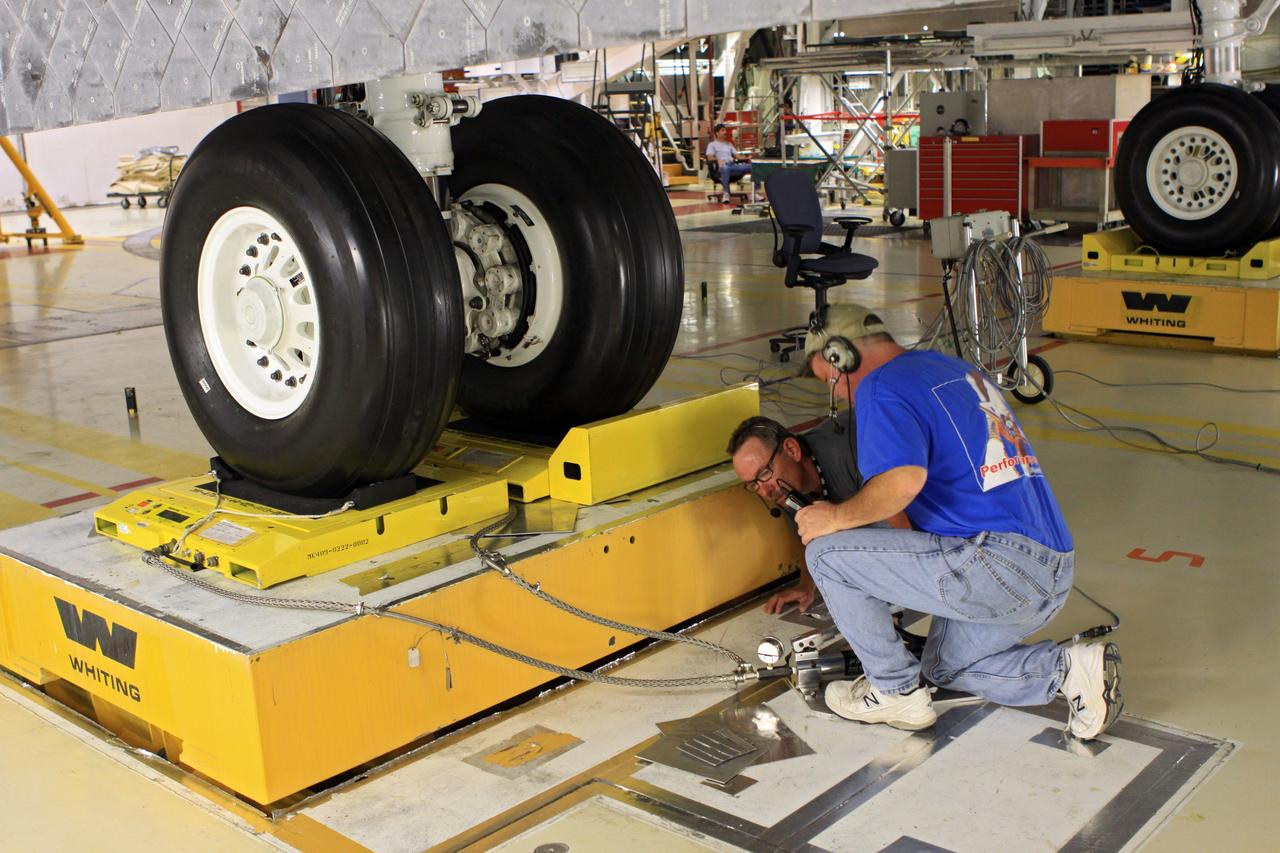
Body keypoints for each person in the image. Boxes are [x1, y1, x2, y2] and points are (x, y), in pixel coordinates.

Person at [784, 303, 1121, 740]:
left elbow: (901, 483)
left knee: (828, 554)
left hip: (996, 564)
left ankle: (893, 692)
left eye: (830, 379)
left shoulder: (880, 387)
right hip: (1048, 572)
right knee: (945, 665)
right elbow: (911, 514)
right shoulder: (954, 369)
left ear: (839, 356)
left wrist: (831, 517)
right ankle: (1069, 671)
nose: (838, 393)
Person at [706, 123, 751, 204]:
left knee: (753, 166)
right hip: (720, 168)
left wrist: (747, 158)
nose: (725, 132)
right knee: (725, 167)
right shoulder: (712, 145)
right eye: (722, 130)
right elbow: (709, 157)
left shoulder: (729, 144)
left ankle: (755, 192)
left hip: (732, 166)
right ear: (717, 133)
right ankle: (726, 193)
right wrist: (717, 160)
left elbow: (737, 156)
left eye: (725, 130)